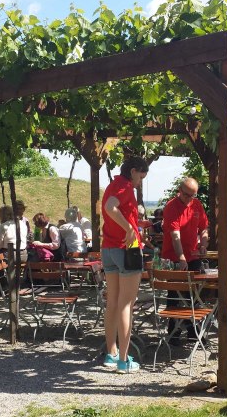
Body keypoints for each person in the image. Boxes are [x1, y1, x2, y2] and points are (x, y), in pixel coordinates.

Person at [101, 156, 148, 374]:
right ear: (133, 171)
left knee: (112, 302)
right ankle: (123, 360)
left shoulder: (112, 185)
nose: (140, 182)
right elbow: (112, 208)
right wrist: (129, 228)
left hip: (108, 249)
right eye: (141, 176)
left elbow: (108, 207)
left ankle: (111, 354)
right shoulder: (125, 187)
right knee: (126, 304)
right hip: (126, 249)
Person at [161, 177, 209, 271]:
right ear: (180, 190)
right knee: (177, 285)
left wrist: (203, 245)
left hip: (193, 256)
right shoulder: (171, 207)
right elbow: (175, 236)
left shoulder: (197, 204)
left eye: (193, 195)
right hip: (173, 258)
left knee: (197, 284)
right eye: (186, 195)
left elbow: (204, 228)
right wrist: (181, 257)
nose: (189, 199)